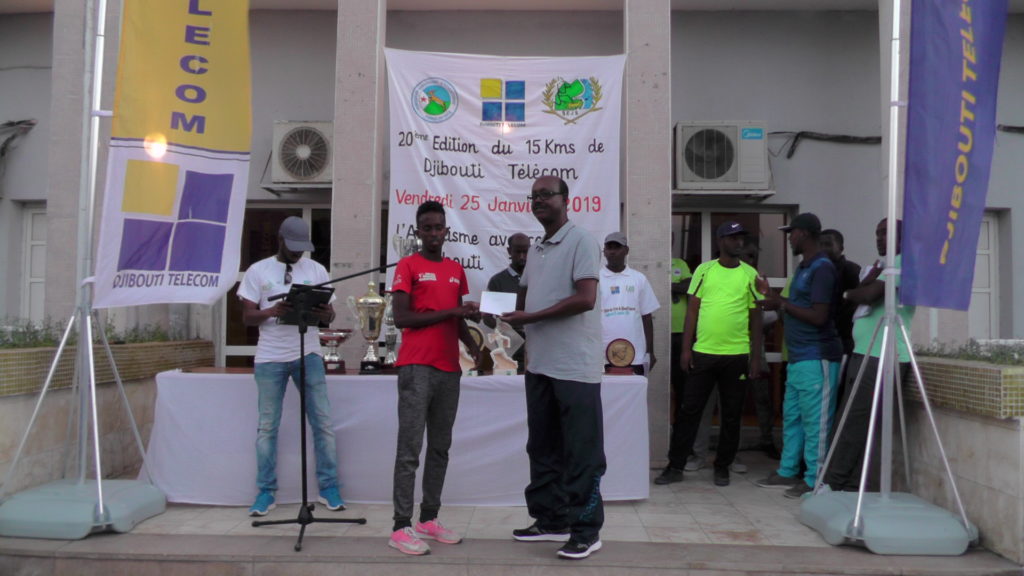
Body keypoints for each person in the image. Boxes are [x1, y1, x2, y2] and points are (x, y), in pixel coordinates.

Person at [502, 175, 605, 560]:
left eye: (547, 194)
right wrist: (499, 311)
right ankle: (551, 520)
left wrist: (530, 317)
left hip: (575, 367)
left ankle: (586, 530)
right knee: (542, 448)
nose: (539, 200)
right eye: (534, 196)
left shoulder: (582, 241)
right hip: (540, 364)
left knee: (581, 453)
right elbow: (525, 297)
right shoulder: (537, 249)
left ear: (566, 200)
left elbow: (585, 298)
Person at [387, 201, 482, 556]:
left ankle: (428, 518)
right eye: (426, 228)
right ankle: (400, 526)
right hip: (416, 366)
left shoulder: (456, 270)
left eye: (438, 227)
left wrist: (473, 345)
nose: (433, 233)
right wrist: (452, 311)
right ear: (418, 231)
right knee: (410, 449)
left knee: (440, 448)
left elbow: (456, 319)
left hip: (448, 369)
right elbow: (402, 318)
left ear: (446, 231)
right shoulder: (407, 265)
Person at [238, 216, 343, 517]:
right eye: (293, 246)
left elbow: (331, 315)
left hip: (308, 353)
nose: (298, 252)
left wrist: (324, 313)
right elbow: (247, 317)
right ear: (280, 240)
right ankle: (265, 492)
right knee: (267, 427)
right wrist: (272, 311)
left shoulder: (316, 270)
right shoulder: (258, 270)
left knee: (323, 422)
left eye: (302, 247)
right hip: (270, 357)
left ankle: (329, 487)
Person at [654, 221, 762, 488]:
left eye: (741, 238)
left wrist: (756, 356)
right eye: (733, 238)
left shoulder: (750, 274)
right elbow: (692, 311)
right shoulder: (704, 270)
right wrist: (686, 349)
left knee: (731, 414)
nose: (738, 242)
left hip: (737, 355)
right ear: (720, 241)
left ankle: (722, 466)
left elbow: (756, 317)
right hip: (703, 353)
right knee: (689, 411)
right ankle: (675, 466)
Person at [756, 212, 842, 499]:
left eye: (791, 233)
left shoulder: (822, 269)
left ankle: (815, 479)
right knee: (792, 417)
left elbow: (819, 316)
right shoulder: (804, 268)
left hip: (818, 357)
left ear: (804, 233)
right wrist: (775, 300)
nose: (789, 238)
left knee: (816, 423)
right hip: (797, 357)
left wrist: (780, 302)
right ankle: (787, 471)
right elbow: (795, 309)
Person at [825, 218, 915, 492]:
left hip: (881, 355)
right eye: (877, 233)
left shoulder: (902, 262)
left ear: (902, 236)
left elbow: (870, 294)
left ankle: (836, 484)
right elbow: (865, 289)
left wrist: (848, 293)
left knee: (855, 421)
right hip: (865, 352)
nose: (879, 238)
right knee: (852, 420)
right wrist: (862, 287)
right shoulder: (884, 265)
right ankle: (849, 484)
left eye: (885, 233)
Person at [739, 241, 781, 459]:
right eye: (747, 255)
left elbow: (772, 313)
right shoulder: (733, 278)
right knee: (733, 398)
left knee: (762, 397)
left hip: (757, 348)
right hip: (733, 348)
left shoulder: (759, 280)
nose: (751, 260)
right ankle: (733, 443)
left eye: (753, 256)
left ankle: (767, 439)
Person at [599, 232, 659, 374]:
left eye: (617, 247)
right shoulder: (596, 279)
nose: (612, 252)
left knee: (634, 388)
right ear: (604, 252)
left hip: (635, 355)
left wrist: (650, 351)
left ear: (626, 250)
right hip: (602, 356)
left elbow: (646, 316)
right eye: (609, 248)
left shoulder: (639, 278)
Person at [820, 228, 862, 390]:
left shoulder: (851, 270)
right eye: (820, 244)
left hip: (843, 341)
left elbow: (852, 306)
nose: (823, 248)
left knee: (836, 387)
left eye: (828, 244)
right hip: (822, 341)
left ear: (841, 248)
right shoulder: (818, 270)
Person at [486, 232, 531, 368]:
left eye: (525, 252)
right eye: (518, 252)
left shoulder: (539, 279)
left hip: (538, 350)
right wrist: (509, 334)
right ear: (509, 251)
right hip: (509, 354)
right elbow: (487, 317)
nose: (522, 256)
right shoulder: (497, 281)